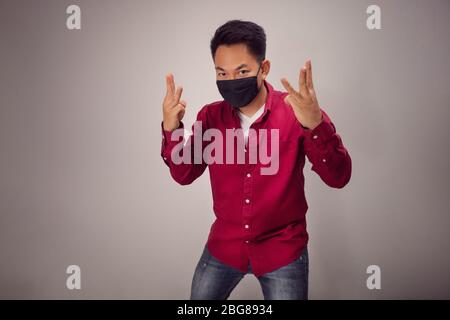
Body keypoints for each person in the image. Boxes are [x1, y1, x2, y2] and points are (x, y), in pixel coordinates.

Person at [160, 19, 352, 300]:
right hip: (225, 247)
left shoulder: (296, 112)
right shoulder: (210, 117)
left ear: (264, 69)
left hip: (282, 251)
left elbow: (339, 177)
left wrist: (315, 125)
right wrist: (171, 128)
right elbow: (183, 174)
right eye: (222, 73)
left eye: (242, 71)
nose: (231, 81)